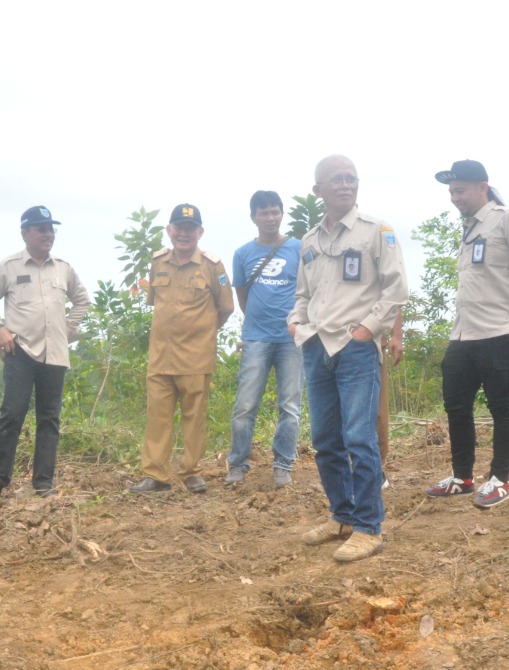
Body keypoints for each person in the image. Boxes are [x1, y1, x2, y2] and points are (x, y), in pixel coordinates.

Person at [289, 155, 409, 562]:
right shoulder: (309, 242)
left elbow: (396, 290)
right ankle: (341, 515)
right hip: (317, 347)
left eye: (350, 179)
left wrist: (366, 330)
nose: (345, 185)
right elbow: (303, 294)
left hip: (355, 348)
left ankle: (368, 526)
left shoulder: (377, 232)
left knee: (360, 437)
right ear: (317, 190)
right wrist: (296, 323)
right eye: (335, 180)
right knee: (326, 440)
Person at [426, 160, 509, 509]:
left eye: (459, 190)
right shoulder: (469, 227)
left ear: (482, 187)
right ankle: (462, 478)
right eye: (451, 192)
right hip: (463, 335)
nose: (454, 198)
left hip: (498, 331)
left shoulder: (507, 219)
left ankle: (500, 479)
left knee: (502, 408)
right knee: (456, 407)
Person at [0, 206, 90, 497]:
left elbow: (82, 300)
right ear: (25, 233)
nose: (48, 234)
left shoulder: (63, 267)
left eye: (51, 229)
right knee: (12, 413)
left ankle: (43, 482)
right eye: (41, 229)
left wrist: (69, 329)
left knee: (49, 418)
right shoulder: (9, 266)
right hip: (21, 351)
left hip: (55, 353)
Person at [130, 204, 235, 494]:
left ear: (199, 232)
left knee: (194, 416)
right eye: (179, 228)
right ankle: (156, 475)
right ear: (170, 231)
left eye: (190, 229)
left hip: (195, 357)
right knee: (157, 417)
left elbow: (226, 307)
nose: (184, 234)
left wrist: (202, 332)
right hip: (161, 355)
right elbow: (155, 302)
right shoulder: (159, 262)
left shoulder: (213, 266)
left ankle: (191, 472)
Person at [225, 191, 303, 488]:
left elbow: (307, 288)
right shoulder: (243, 253)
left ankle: (283, 465)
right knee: (245, 405)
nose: (270, 218)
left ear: (282, 214)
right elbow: (242, 295)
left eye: (275, 212)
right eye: (264, 213)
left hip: (291, 338)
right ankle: (237, 465)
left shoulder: (298, 248)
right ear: (253, 217)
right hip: (256, 337)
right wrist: (258, 322)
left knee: (290, 407)